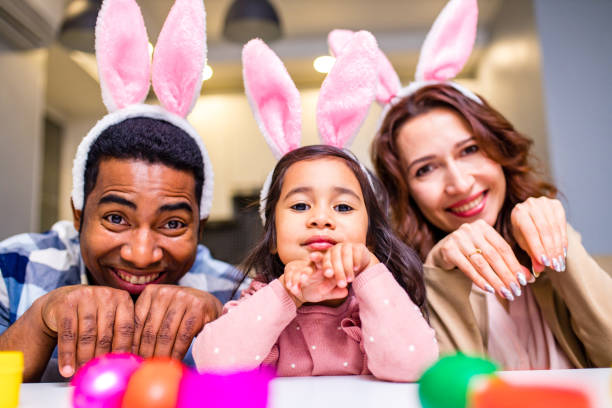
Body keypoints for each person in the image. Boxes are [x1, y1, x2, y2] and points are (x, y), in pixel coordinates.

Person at [0, 0, 239, 381]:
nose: (141, 255)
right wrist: (40, 319)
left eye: (173, 224)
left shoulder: (235, 293)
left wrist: (230, 326)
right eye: (115, 218)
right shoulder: (14, 268)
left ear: (201, 225)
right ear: (78, 213)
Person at [368, 0, 612, 369]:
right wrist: (441, 273)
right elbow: (455, 393)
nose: (460, 183)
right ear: (406, 193)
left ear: (498, 150)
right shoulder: (398, 291)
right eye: (425, 169)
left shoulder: (549, 234)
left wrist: (561, 243)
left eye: (469, 150)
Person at [192, 35, 437, 382]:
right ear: (273, 238)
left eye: (342, 206)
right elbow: (213, 365)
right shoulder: (261, 297)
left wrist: (369, 271)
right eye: (301, 204)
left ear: (369, 238)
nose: (321, 218)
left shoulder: (376, 298)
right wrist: (287, 293)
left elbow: (417, 367)